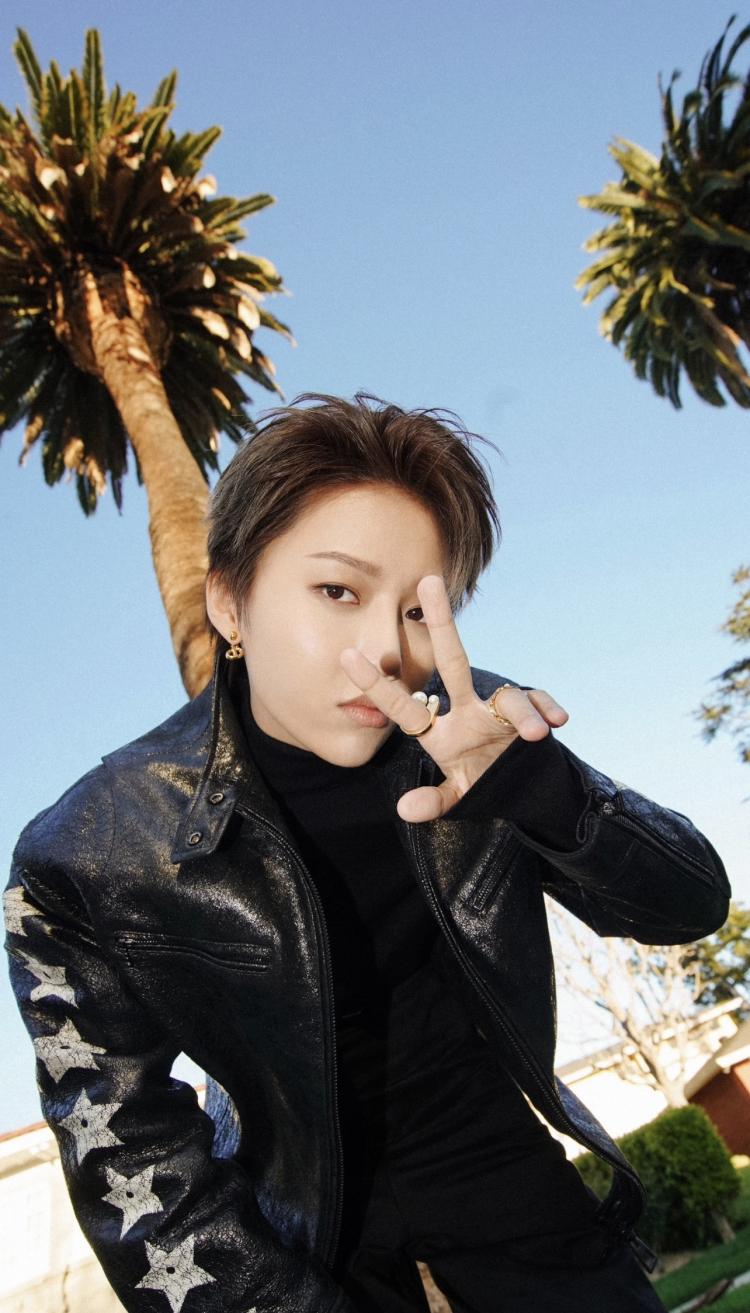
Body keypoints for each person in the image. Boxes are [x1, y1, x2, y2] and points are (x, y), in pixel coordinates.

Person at [5, 393, 729, 1313]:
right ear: (229, 599)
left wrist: (544, 791)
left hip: (504, 1174)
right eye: (338, 591)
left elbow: (690, 903)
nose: (388, 648)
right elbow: (133, 1160)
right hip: (298, 1231)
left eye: (421, 610)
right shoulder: (88, 854)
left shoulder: (476, 731)